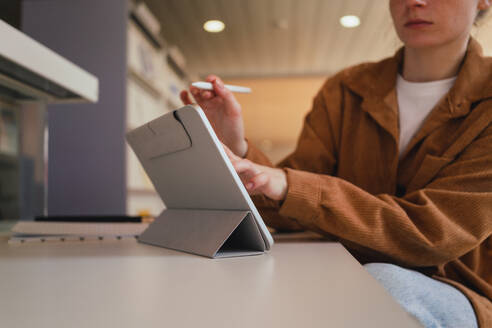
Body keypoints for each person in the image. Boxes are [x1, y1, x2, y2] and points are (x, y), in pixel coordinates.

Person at [180, 0, 492, 327]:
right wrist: (236, 145)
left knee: (380, 287)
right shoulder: (346, 90)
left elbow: (433, 233)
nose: (415, 2)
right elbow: (287, 206)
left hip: (456, 289)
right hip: (342, 273)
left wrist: (292, 187)